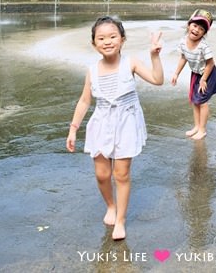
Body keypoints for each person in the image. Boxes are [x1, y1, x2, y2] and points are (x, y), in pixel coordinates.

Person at [66, 16, 164, 241]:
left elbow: (158, 80)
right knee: (102, 175)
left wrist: (154, 56)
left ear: (122, 39)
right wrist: (73, 129)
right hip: (101, 123)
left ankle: (120, 219)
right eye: (101, 38)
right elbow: (84, 101)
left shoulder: (131, 63)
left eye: (112, 36)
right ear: (94, 44)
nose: (107, 41)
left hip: (126, 124)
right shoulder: (92, 70)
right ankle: (110, 205)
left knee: (121, 174)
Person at [170, 9, 216, 140]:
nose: (197, 30)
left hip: (208, 74)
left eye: (202, 29)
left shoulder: (203, 46)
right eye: (195, 25)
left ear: (204, 33)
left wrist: (204, 79)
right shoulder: (183, 42)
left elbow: (210, 63)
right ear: (189, 25)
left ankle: (202, 130)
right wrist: (176, 73)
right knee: (194, 101)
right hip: (196, 73)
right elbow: (183, 58)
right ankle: (197, 126)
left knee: (202, 102)